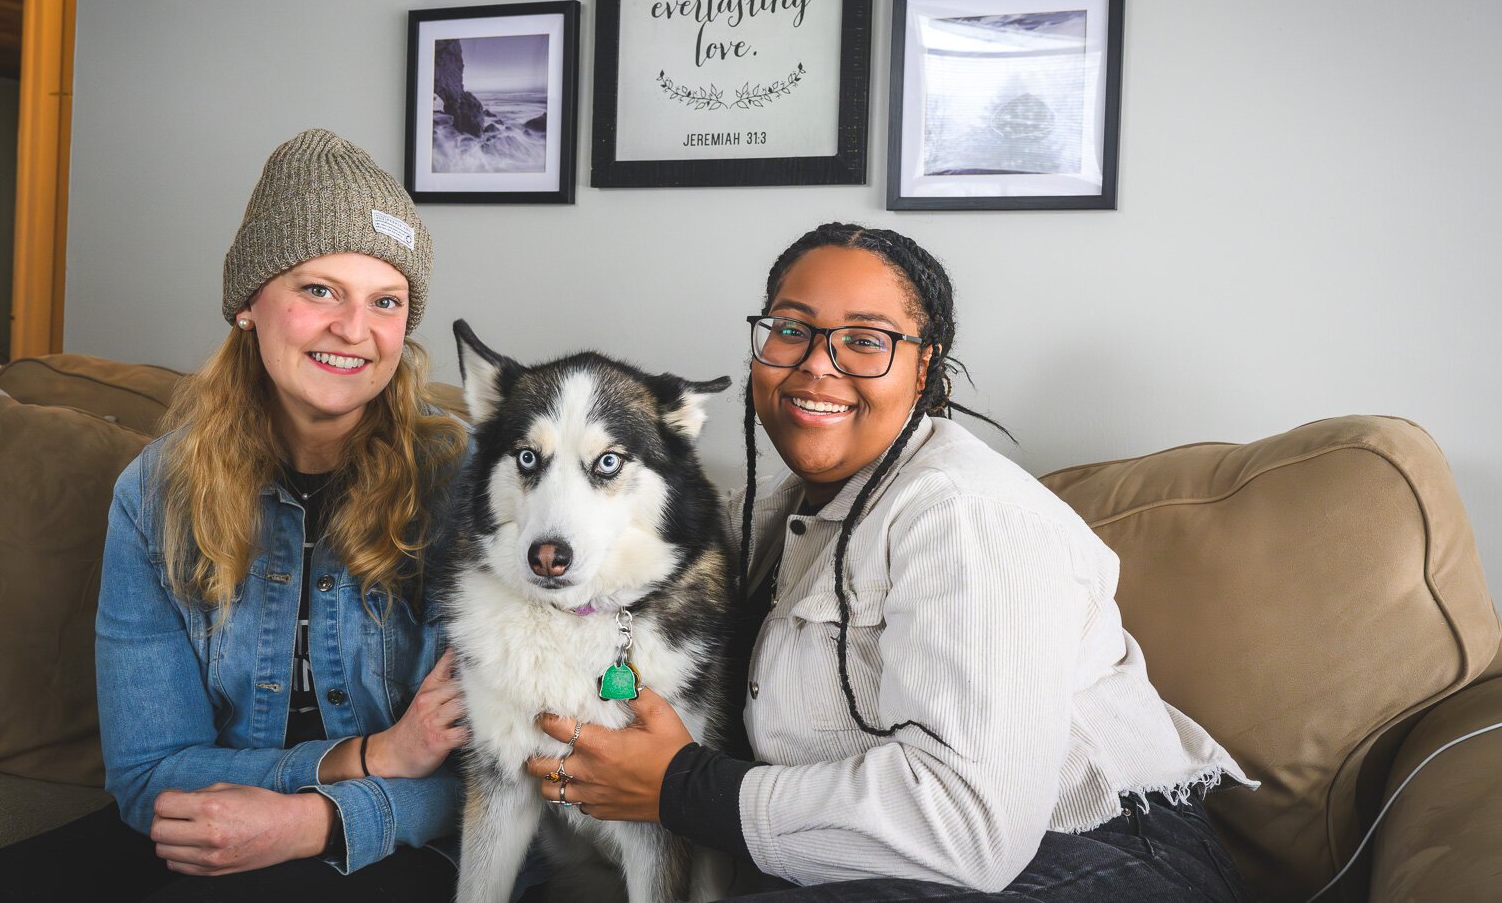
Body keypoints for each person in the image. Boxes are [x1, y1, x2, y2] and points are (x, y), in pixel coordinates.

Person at [524, 222, 1257, 901]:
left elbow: (973, 825)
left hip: (1102, 854)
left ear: (923, 366)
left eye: (866, 341)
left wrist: (683, 787)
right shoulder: (774, 512)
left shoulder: (966, 517)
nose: (817, 366)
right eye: (790, 330)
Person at [0, 129, 472, 901]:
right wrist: (367, 754)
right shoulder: (157, 492)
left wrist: (311, 820)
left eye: (386, 301)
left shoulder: (467, 487)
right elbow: (150, 771)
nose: (355, 330)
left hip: (404, 838)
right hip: (262, 802)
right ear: (250, 302)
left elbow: (510, 780)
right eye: (320, 290)